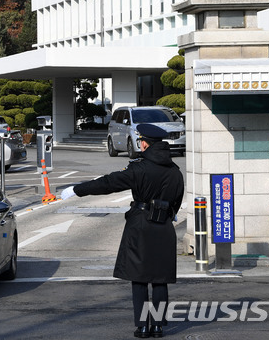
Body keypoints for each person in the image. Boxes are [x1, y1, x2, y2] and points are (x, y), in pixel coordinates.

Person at [61, 124, 184, 339]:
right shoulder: (175, 171)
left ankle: (143, 326)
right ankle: (158, 327)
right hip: (164, 226)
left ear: (145, 143)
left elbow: (108, 183)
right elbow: (177, 200)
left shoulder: (139, 168)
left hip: (141, 226)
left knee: (139, 278)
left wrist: (77, 189)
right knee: (160, 279)